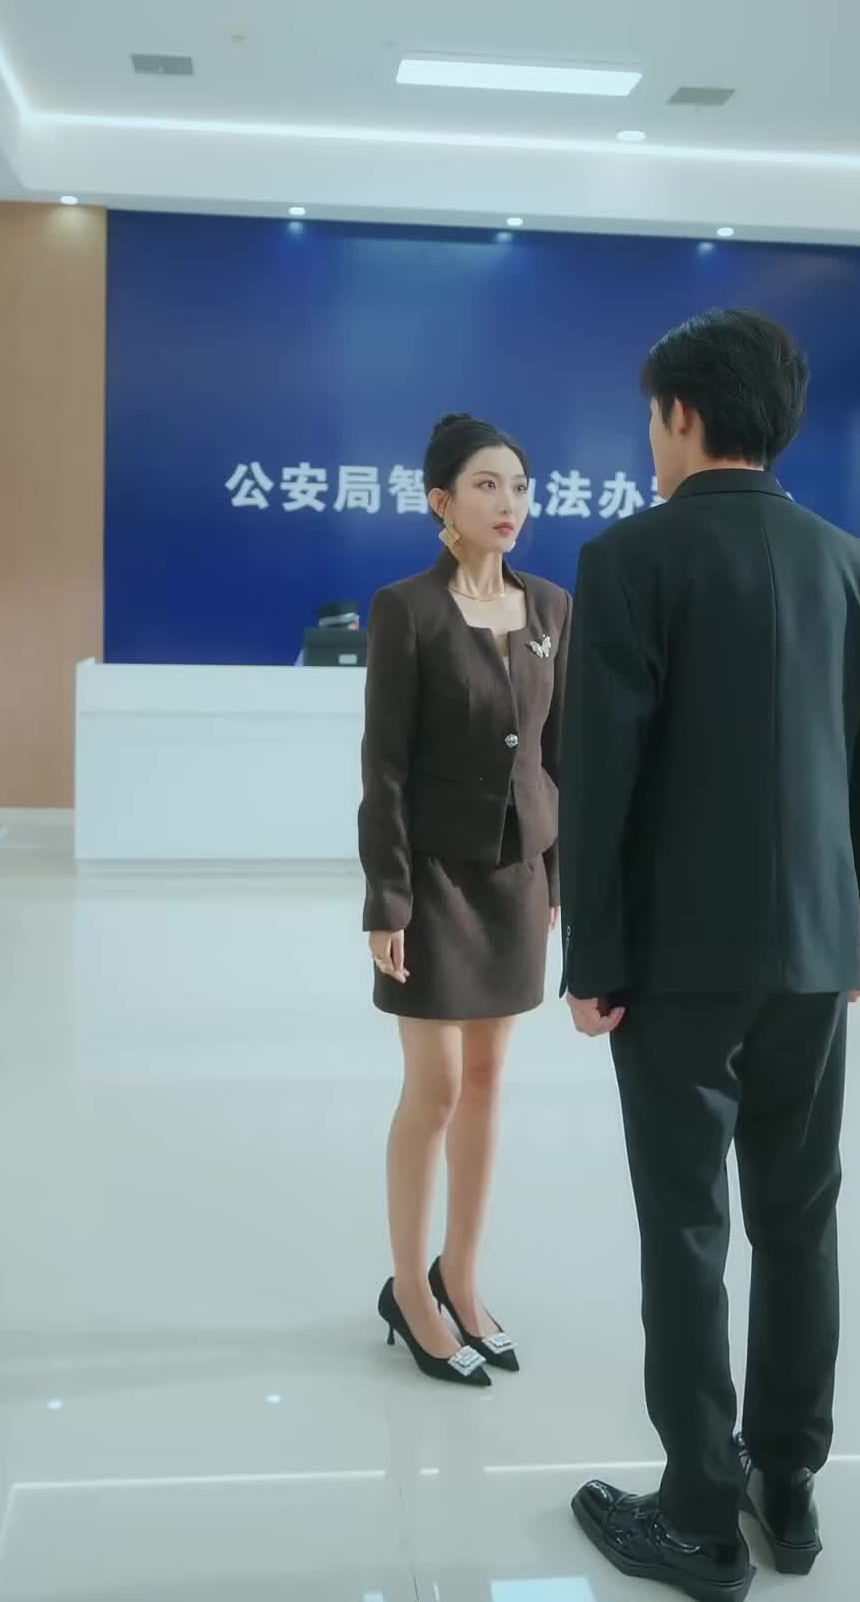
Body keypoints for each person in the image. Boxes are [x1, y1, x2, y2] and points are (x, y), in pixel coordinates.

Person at [558, 310, 860, 1602]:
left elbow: (601, 772)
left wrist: (593, 956)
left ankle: (702, 1519)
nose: (651, 437)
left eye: (654, 416)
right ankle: (789, 1487)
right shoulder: (857, 569)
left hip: (675, 960)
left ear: (684, 416)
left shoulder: (629, 558)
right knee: (800, 1218)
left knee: (689, 1227)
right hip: (815, 952)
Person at [359, 412, 571, 1388]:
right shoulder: (407, 609)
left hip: (517, 876)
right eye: (487, 485)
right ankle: (409, 1289)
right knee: (436, 1087)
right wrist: (387, 898)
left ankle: (463, 1275)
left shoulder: (552, 609)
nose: (508, 503)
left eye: (519, 485)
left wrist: (560, 876)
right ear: (442, 501)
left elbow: (560, 755)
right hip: (434, 879)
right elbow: (385, 767)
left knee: (489, 1079)